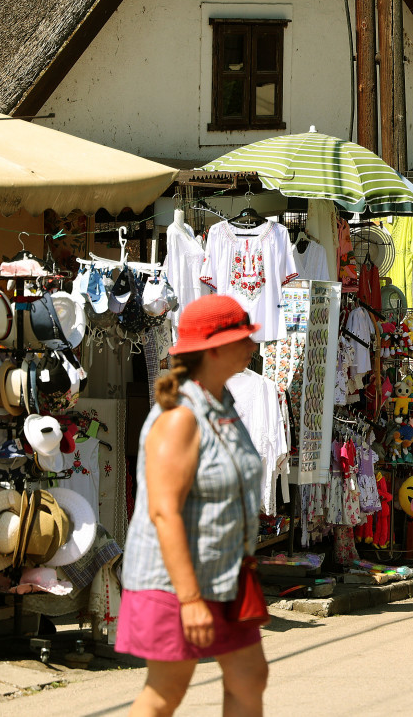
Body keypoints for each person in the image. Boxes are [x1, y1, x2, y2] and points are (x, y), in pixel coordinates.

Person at [118, 295, 268, 717]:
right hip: (174, 584)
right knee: (166, 693)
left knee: (249, 675)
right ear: (213, 348)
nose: (251, 346)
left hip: (225, 577)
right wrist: (189, 599)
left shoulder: (223, 406)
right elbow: (163, 511)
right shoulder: (180, 416)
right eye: (242, 338)